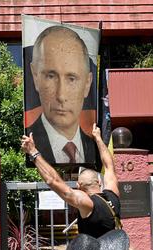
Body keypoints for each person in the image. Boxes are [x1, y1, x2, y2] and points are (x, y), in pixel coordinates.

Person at [28, 25, 95, 165]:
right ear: (35, 76)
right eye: (51, 76)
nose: (61, 95)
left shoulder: (94, 148)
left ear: (87, 83)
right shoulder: (29, 142)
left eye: (72, 79)